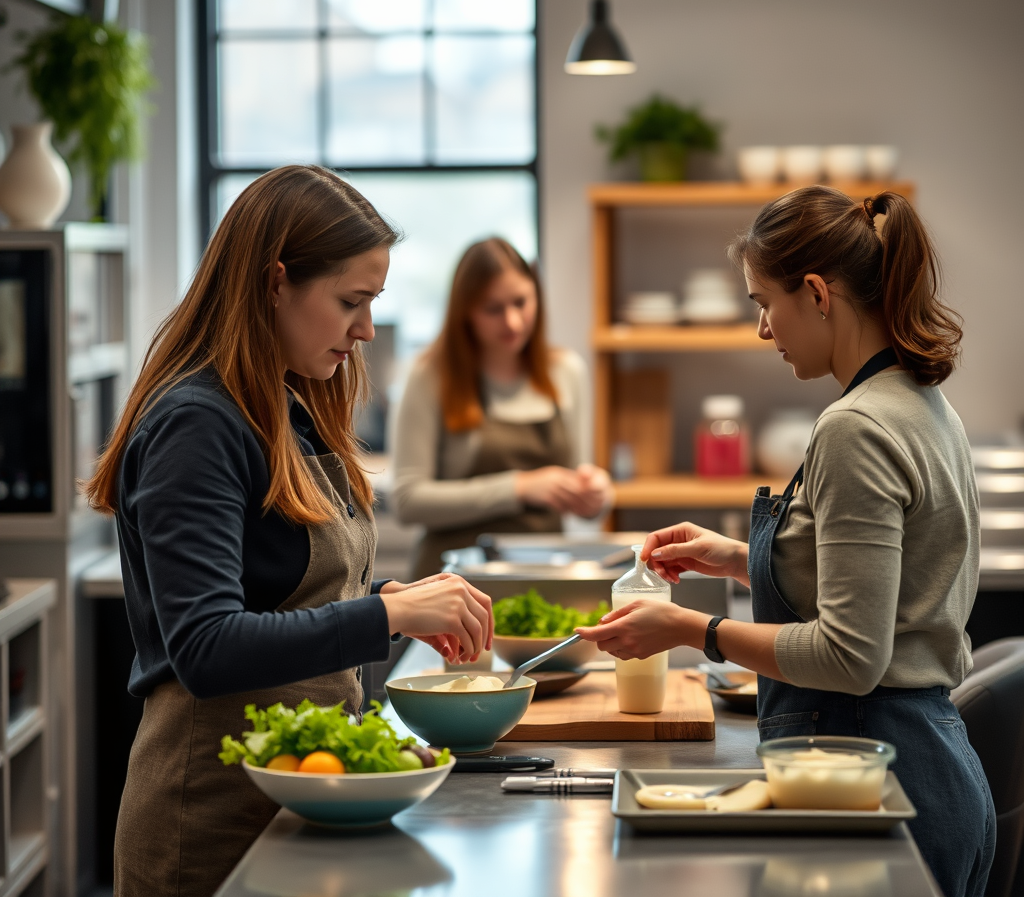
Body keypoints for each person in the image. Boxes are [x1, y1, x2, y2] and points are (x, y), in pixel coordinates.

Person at [86, 166, 493, 897]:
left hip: (299, 794)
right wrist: (385, 614)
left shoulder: (283, 403)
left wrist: (396, 600)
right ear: (277, 282)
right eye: (350, 302)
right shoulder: (196, 424)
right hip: (209, 819)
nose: (365, 329)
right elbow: (207, 646)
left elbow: (282, 592)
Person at [576, 187, 995, 897]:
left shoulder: (854, 427)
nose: (764, 329)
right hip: (926, 769)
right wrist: (736, 558)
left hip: (874, 770)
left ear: (816, 293)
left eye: (764, 303)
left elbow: (852, 655)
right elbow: (883, 581)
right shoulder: (921, 401)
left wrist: (690, 628)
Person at [391, 237, 613, 579]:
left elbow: (577, 482)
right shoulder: (430, 375)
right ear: (465, 311)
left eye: (521, 302)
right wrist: (519, 487)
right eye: (493, 309)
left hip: (543, 576)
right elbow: (408, 501)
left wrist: (596, 494)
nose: (512, 322)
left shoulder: (566, 371)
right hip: (451, 583)